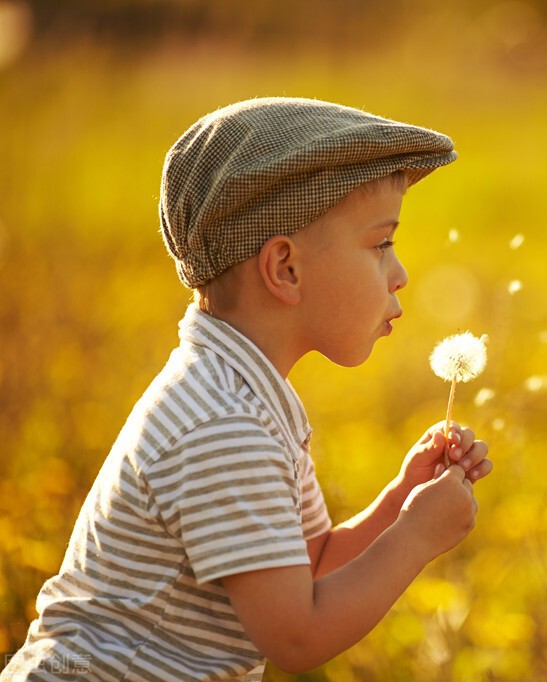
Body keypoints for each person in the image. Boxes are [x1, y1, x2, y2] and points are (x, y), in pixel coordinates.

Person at [2, 97, 493, 681]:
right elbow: (296, 635)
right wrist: (415, 537)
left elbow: (306, 567)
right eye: (381, 243)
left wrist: (399, 499)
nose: (400, 272)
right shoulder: (222, 426)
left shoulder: (246, 397)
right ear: (285, 268)